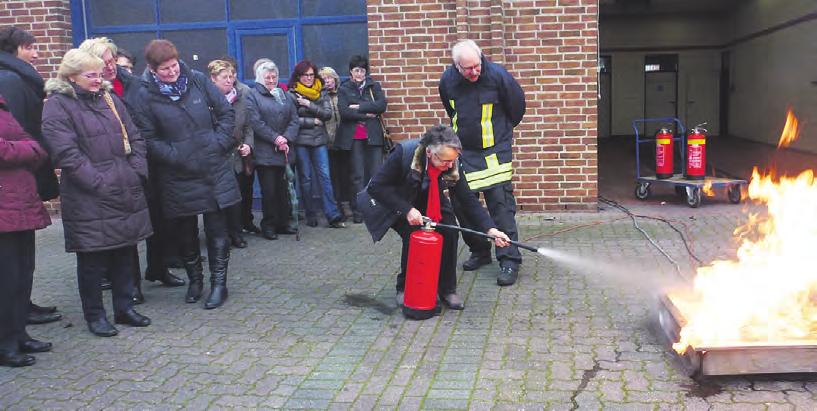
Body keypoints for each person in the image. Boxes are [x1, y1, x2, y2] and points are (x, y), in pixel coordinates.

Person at [41, 48, 153, 336]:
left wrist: (136, 170)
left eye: (99, 74)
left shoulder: (109, 98)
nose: (97, 79)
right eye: (91, 75)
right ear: (71, 77)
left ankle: (125, 308)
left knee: (126, 252)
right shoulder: (58, 105)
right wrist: (99, 183)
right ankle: (95, 316)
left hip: (125, 186)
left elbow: (135, 136)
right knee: (92, 258)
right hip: (89, 196)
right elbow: (66, 154)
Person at [132, 39, 239, 309]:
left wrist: (219, 143)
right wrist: (176, 156)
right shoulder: (144, 95)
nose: (172, 72)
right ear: (152, 69)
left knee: (217, 230)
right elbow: (148, 138)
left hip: (212, 167)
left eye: (173, 65)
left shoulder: (198, 80)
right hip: (177, 173)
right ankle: (195, 281)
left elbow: (226, 113)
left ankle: (219, 284)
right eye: (164, 69)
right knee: (185, 233)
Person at [79, 37, 186, 304]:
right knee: (128, 231)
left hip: (149, 162)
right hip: (119, 168)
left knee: (159, 221)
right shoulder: (92, 93)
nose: (111, 66)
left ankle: (158, 268)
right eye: (104, 62)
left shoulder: (135, 85)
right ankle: (130, 286)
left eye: (112, 60)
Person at [363, 125, 510, 313]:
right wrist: (408, 210)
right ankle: (404, 287)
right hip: (400, 199)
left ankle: (447, 290)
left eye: (453, 160)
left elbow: (467, 199)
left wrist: (490, 230)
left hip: (431, 196)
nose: (450, 166)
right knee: (413, 236)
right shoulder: (404, 153)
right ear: (430, 153)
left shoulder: (452, 161)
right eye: (446, 161)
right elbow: (376, 187)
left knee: (450, 231)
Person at [438, 39, 526, 286]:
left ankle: (509, 259)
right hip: (464, 153)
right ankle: (479, 251)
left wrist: (500, 136)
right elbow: (450, 109)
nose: (474, 71)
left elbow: (517, 108)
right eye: (468, 68)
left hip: (495, 151)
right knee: (463, 207)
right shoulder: (447, 81)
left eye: (477, 65)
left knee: (501, 207)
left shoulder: (498, 76)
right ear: (457, 66)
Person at [0, 26, 62, 325]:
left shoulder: (19, 78)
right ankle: (16, 313)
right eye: (29, 47)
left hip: (25, 172)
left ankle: (23, 305)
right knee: (15, 257)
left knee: (23, 253)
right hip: (18, 177)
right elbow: (19, 129)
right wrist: (35, 151)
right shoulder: (10, 79)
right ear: (14, 50)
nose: (36, 53)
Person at [0, 94, 53, 366]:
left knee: (23, 273)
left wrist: (19, 149)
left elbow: (36, 146)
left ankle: (19, 334)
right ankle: (4, 344)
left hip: (21, 203)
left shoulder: (3, 106)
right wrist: (22, 149)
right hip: (3, 208)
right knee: (6, 280)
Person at [288, 60, 346, 229]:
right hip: (301, 142)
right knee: (305, 179)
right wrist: (312, 120)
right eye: (305, 75)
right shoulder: (292, 94)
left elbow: (327, 114)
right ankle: (310, 213)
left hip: (320, 140)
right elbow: (291, 119)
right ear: (299, 76)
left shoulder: (321, 91)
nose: (309, 78)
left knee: (325, 177)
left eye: (311, 75)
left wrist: (308, 105)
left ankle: (332, 214)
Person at [245, 60, 299, 240]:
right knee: (269, 191)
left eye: (274, 76)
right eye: (267, 77)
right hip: (265, 152)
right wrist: (276, 138)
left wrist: (286, 138)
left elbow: (294, 120)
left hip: (284, 150)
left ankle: (283, 223)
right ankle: (268, 225)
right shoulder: (252, 96)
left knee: (284, 190)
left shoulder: (284, 94)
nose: (271, 80)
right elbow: (256, 122)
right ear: (260, 78)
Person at [208, 58, 254, 248]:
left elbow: (249, 126)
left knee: (237, 197)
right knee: (218, 201)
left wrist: (248, 145)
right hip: (217, 158)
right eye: (224, 77)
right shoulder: (207, 101)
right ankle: (220, 236)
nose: (229, 80)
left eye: (231, 76)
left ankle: (237, 233)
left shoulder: (242, 99)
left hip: (238, 157)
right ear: (213, 79)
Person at [336, 55, 387, 224]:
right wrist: (367, 114)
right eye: (357, 70)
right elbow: (344, 111)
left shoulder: (374, 86)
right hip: (354, 138)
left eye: (362, 70)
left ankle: (375, 210)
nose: (359, 73)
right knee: (357, 175)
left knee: (375, 174)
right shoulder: (344, 88)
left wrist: (358, 107)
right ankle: (359, 211)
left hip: (373, 137)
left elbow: (381, 105)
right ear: (351, 72)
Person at [319, 66, 351, 218]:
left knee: (347, 175)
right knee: (333, 177)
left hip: (345, 141)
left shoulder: (343, 94)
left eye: (330, 78)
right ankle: (337, 207)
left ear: (335, 79)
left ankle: (348, 205)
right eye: (324, 79)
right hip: (328, 143)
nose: (328, 81)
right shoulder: (320, 97)